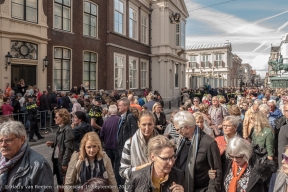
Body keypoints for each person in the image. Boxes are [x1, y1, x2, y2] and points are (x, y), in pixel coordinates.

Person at [173, 111, 222, 191]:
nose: (177, 132)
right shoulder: (182, 140)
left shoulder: (208, 143)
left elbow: (216, 171)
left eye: (177, 129)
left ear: (187, 127)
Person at [0, 121, 53, 191]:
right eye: (0, 141)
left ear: (22, 139)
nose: (3, 144)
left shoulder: (39, 165)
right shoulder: (2, 159)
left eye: (8, 140)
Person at [119, 110, 158, 191]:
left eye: (150, 124)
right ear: (138, 124)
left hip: (156, 186)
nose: (147, 128)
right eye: (144, 124)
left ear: (154, 123)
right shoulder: (129, 143)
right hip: (135, 187)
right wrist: (143, 167)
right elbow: (123, 172)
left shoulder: (161, 143)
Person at [46, 108, 74, 185]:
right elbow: (60, 142)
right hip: (57, 158)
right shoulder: (60, 127)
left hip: (61, 160)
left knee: (63, 182)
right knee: (60, 181)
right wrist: (53, 143)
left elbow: (69, 148)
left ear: (63, 117)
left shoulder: (67, 129)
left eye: (56, 117)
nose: (54, 119)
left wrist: (64, 163)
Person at [100, 105, 122, 186]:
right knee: (117, 165)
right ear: (116, 111)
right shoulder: (120, 120)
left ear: (109, 111)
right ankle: (117, 183)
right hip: (117, 146)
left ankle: (108, 182)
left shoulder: (106, 121)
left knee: (109, 165)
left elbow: (101, 135)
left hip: (108, 146)